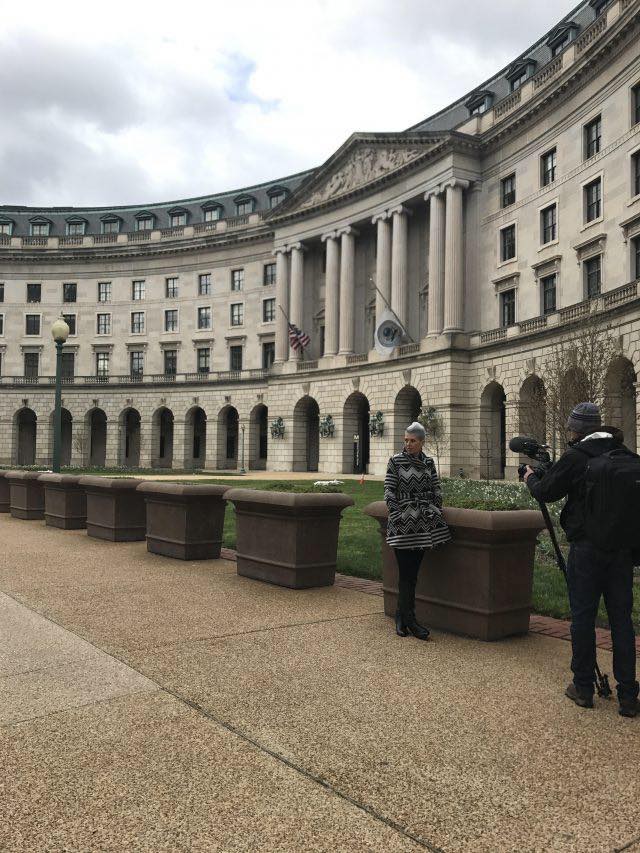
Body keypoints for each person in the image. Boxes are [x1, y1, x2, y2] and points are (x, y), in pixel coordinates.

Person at [524, 402, 639, 718]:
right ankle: (628, 695)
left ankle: (583, 687)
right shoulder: (626, 455)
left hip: (587, 551)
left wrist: (530, 476)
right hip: (621, 553)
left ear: (576, 430)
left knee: (583, 619)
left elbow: (547, 491)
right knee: (621, 622)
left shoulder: (576, 457)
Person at [384, 421, 451, 639]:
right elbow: (389, 491)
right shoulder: (395, 461)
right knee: (406, 574)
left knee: (412, 575)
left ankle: (401, 617)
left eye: (413, 441)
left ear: (422, 442)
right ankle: (410, 620)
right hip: (403, 525)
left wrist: (434, 508)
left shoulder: (429, 462)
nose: (408, 444)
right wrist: (397, 515)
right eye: (406, 440)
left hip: (423, 525)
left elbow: (436, 488)